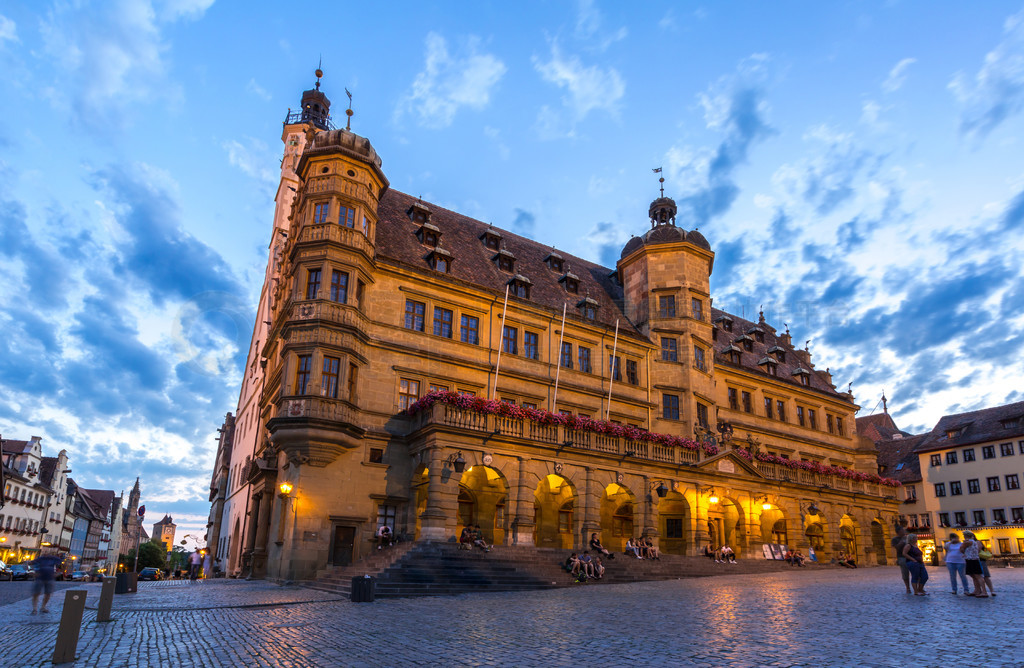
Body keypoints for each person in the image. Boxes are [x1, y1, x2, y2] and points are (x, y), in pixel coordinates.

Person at [959, 531, 988, 598]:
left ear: (965, 535)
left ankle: (984, 592)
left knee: (978, 576)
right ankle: (977, 590)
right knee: (974, 576)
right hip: (972, 559)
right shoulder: (974, 542)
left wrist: (963, 544)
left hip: (972, 560)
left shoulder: (968, 542)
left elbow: (961, 549)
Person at [891, 525, 911, 594]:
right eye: (902, 530)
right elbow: (896, 547)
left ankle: (917, 587)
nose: (904, 531)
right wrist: (902, 542)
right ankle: (908, 587)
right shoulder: (895, 539)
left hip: (911, 557)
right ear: (899, 531)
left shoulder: (907, 537)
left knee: (915, 572)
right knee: (905, 573)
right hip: (902, 557)